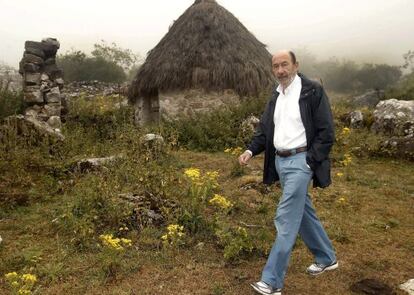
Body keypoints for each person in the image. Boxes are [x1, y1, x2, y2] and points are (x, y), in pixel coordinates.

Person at [239, 50, 338, 295]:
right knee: (302, 211)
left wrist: (309, 162)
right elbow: (265, 130)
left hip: (301, 161)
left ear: (296, 65)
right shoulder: (276, 96)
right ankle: (326, 257)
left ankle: (272, 281)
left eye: (285, 65)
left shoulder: (311, 91)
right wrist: (250, 151)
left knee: (285, 216)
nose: (280, 70)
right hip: (281, 163)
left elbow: (327, 132)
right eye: (276, 66)